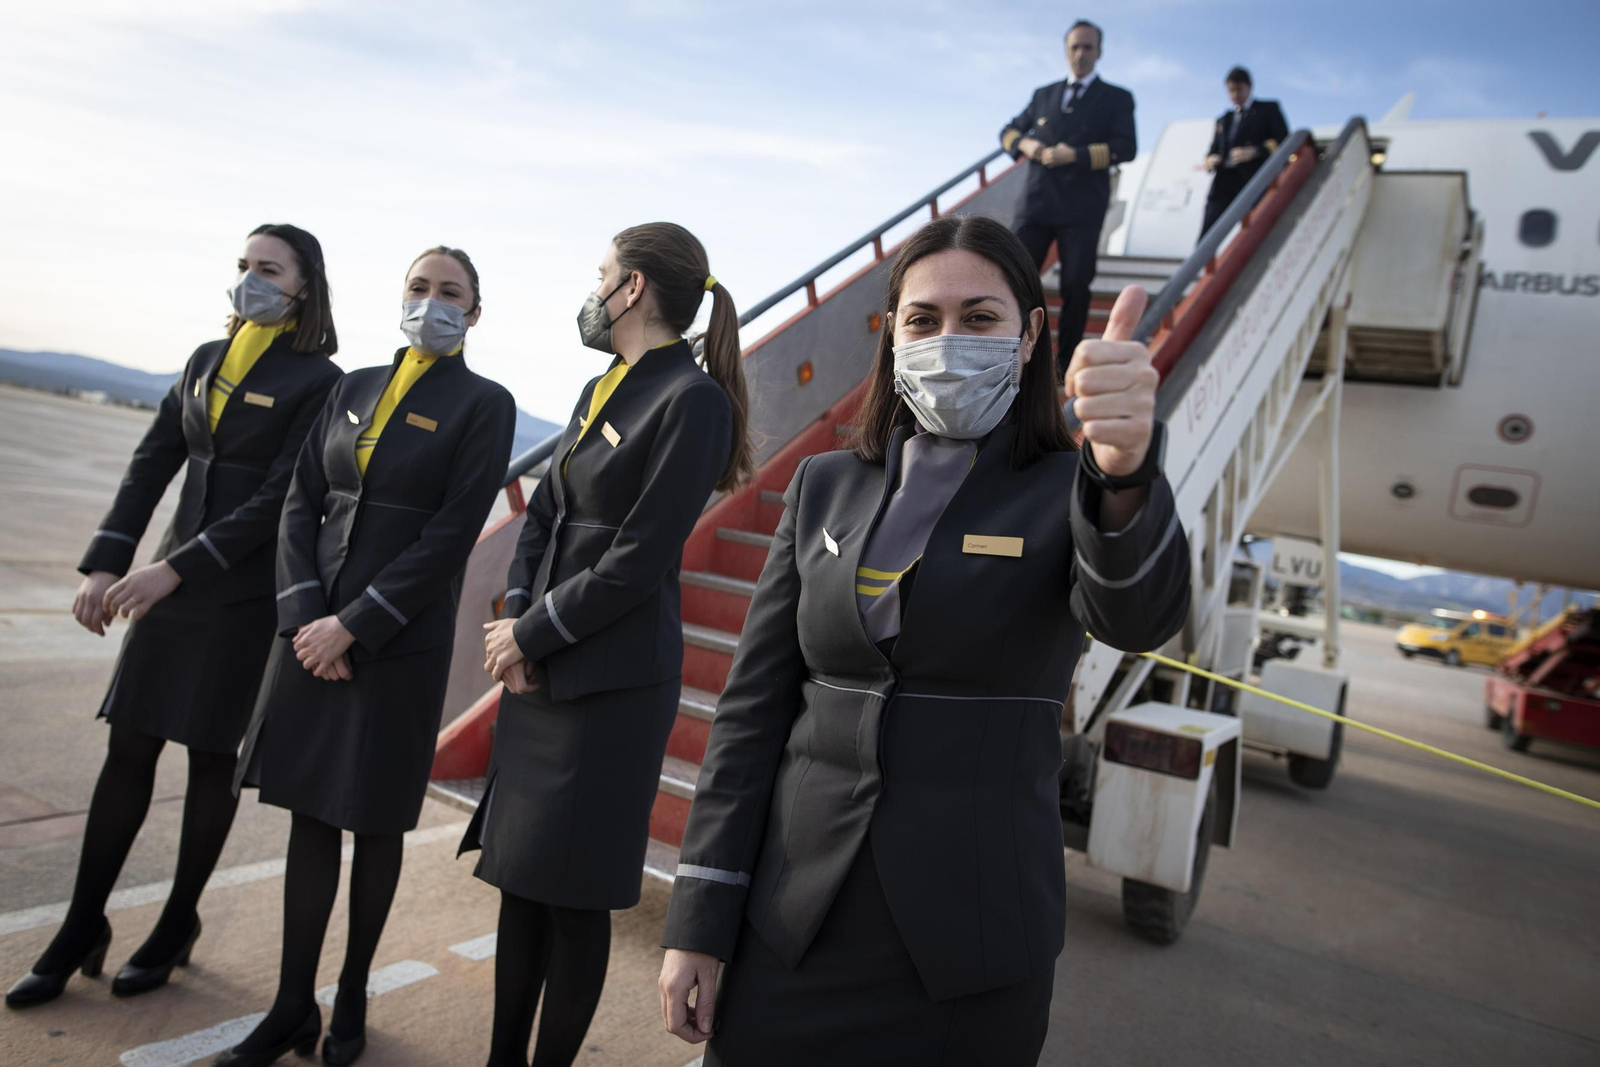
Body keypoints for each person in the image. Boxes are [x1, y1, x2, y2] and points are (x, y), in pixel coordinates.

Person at [657, 214, 1191, 1066]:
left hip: (970, 945)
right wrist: (700, 917)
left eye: (980, 318)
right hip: (795, 920)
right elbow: (751, 714)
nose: (949, 339)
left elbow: (1137, 617)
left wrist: (1125, 469)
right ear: (892, 337)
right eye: (923, 319)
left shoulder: (1068, 488)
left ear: (1029, 337)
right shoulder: (825, 484)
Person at [5, 225, 341, 1010]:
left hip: (238, 595)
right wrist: (106, 561)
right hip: (165, 581)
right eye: (243, 266)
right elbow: (153, 459)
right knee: (128, 746)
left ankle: (177, 920)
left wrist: (172, 568)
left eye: (268, 269)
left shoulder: (317, 380)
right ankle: (79, 927)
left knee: (209, 762)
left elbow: (277, 503)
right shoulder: (203, 360)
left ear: (302, 288)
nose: (251, 280)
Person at [218, 247, 516, 1066]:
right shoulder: (349, 389)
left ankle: (351, 993)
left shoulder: (485, 404)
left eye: (450, 292)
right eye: (420, 287)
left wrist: (356, 624)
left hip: (393, 643)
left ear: (474, 314)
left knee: (374, 822)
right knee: (310, 819)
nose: (431, 302)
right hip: (314, 639)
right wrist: (308, 617)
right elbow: (301, 503)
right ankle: (289, 1006)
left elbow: (451, 533)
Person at [469, 222, 753, 1067]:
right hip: (542, 665)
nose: (593, 291)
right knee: (519, 884)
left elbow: (638, 559)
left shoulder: (692, 399)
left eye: (601, 275)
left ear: (633, 288)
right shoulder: (605, 383)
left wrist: (532, 631)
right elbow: (545, 512)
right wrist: (517, 616)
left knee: (573, 900)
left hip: (609, 685)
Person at [1000, 19, 1136, 379]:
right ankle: (1013, 351)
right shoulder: (1044, 93)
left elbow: (1127, 147)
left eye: (1087, 47)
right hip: (1037, 203)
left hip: (1082, 206)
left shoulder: (1117, 98)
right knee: (1015, 276)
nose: (1080, 54)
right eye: (1074, 47)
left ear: (1099, 52)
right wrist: (1026, 144)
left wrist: (1073, 155)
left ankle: (1065, 363)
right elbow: (1008, 131)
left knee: (1076, 282)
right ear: (1066, 51)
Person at [1200, 67, 1289, 241]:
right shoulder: (1223, 120)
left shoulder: (1268, 110)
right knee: (1207, 235)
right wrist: (1211, 160)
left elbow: (1283, 141)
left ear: (1249, 87)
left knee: (1257, 233)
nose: (1235, 95)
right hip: (1223, 184)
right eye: (1231, 91)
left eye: (1239, 89)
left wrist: (1255, 151)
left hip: (1254, 181)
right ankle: (1201, 267)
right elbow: (1212, 150)